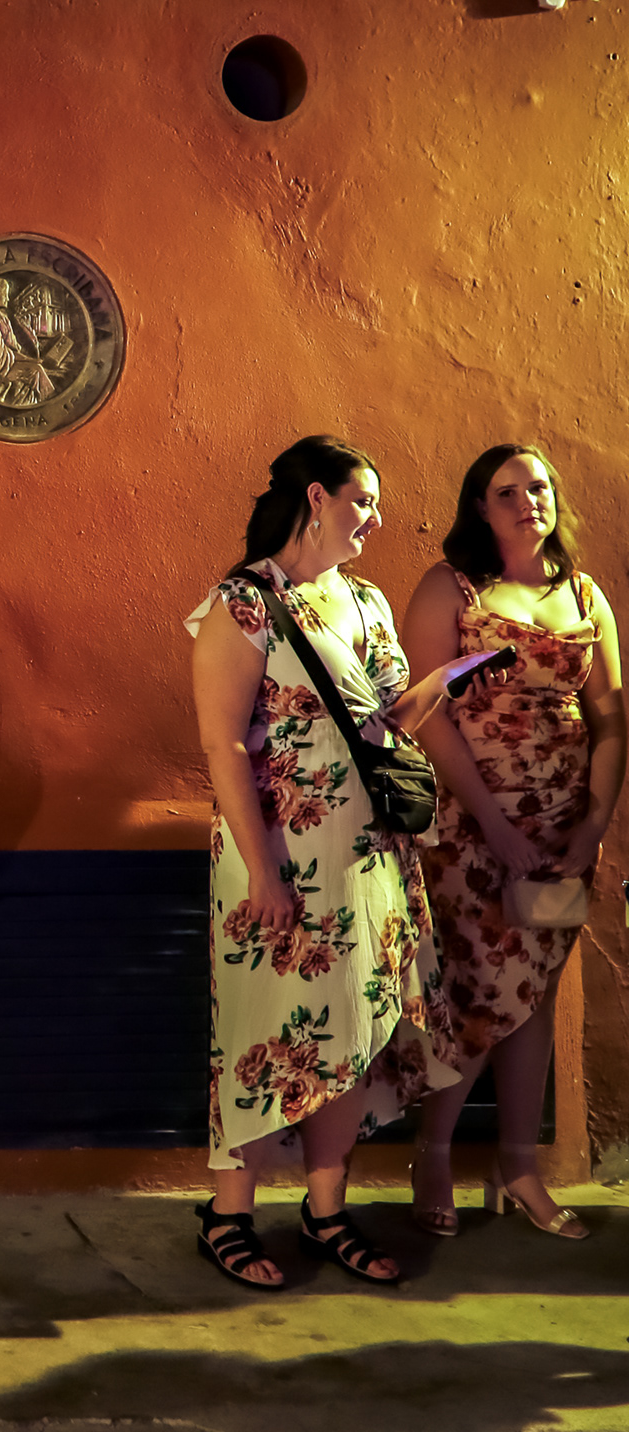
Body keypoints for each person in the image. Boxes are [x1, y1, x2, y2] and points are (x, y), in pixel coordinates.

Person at [188, 437, 491, 1291]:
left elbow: (387, 720)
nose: (377, 519)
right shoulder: (244, 602)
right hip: (278, 854)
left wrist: (451, 678)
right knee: (261, 1031)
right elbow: (222, 745)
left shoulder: (364, 599)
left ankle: (326, 1213)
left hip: (367, 854)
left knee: (351, 1035)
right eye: (364, 501)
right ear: (316, 498)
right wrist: (263, 872)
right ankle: (228, 1214)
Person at [402, 445, 623, 1241]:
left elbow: (610, 719)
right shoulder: (450, 588)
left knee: (534, 998)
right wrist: (494, 824)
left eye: (538, 487)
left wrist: (592, 825)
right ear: (480, 506)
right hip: (472, 826)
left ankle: (518, 1166)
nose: (528, 500)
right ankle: (432, 1156)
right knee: (477, 994)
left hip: (563, 829)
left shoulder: (585, 594)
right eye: (507, 491)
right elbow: (426, 714)